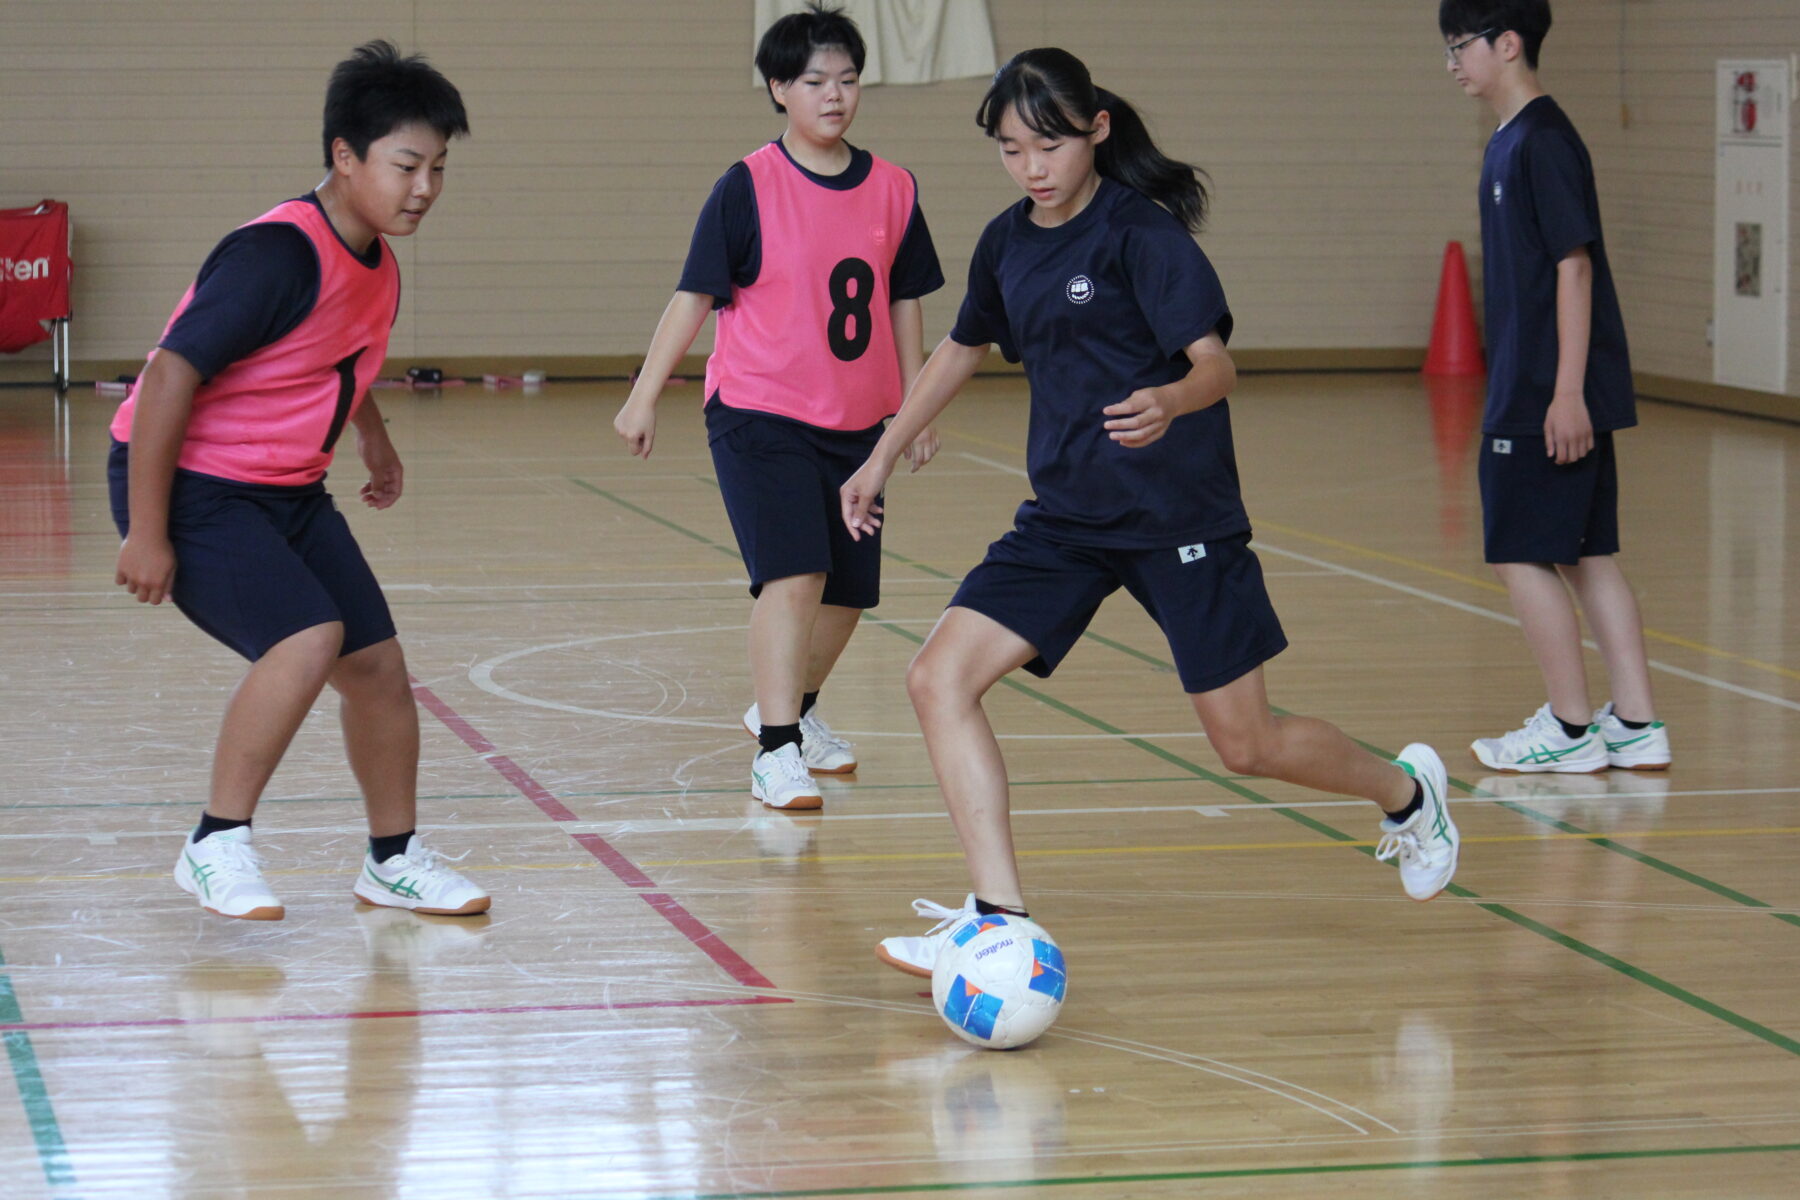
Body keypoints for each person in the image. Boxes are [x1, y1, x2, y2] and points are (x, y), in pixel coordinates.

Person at [841, 48, 1460, 976]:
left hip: (1178, 516)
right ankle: (997, 916)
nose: (1032, 168)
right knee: (937, 680)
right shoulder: (1008, 242)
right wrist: (882, 453)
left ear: (1094, 130)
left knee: (1247, 745)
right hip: (1067, 519)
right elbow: (960, 351)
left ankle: (1409, 796)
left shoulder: (1145, 236)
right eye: (1011, 150)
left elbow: (1216, 364)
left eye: (1048, 144)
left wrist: (1170, 400)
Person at [110, 41, 489, 921]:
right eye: (406, 165)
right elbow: (168, 377)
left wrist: (376, 440)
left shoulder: (377, 263)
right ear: (344, 156)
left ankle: (391, 860)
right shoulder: (276, 253)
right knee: (307, 638)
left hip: (287, 490)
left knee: (378, 670)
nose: (425, 187)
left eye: (438, 167)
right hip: (193, 482)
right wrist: (146, 527)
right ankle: (215, 841)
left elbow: (331, 359)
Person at [613, 3, 944, 810]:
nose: (834, 96)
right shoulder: (749, 184)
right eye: (814, 81)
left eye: (848, 80)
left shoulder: (894, 187)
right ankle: (776, 749)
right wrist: (643, 395)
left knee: (849, 596)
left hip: (859, 424)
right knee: (795, 575)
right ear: (778, 89)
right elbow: (694, 297)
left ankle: (790, 710)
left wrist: (913, 409)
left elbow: (905, 304)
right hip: (761, 411)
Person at [1441, 1, 1670, 773]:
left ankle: (1572, 730)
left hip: (1544, 392)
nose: (1453, 63)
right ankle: (1636, 722)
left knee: (1518, 552)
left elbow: (1576, 266)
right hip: (1540, 382)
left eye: (1460, 46)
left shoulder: (1541, 141)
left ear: (1508, 44)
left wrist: (1565, 393)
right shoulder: (1509, 142)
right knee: (1585, 553)